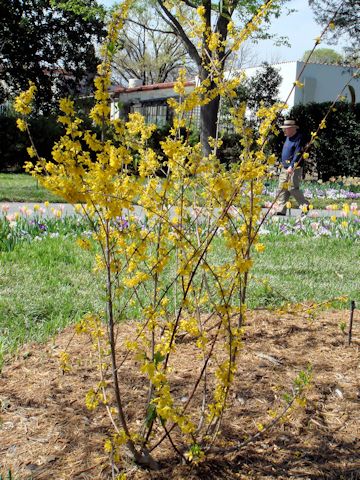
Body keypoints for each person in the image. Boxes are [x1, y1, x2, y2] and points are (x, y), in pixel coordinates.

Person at [276, 119, 309, 216]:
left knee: (292, 188)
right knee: (282, 188)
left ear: (291, 129)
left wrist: (291, 166)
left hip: (295, 167)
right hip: (285, 167)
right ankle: (281, 210)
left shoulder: (298, 139)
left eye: (285, 129)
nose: (284, 131)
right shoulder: (288, 137)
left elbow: (297, 154)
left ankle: (305, 205)